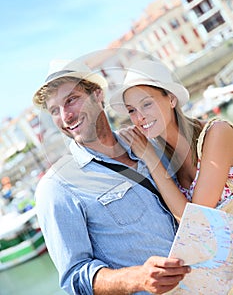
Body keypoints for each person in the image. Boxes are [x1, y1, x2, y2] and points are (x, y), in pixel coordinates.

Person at [32, 57, 191, 295]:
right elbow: (75, 277)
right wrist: (136, 278)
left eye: (71, 100)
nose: (66, 117)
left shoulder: (151, 144)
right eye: (55, 110)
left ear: (98, 95)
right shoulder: (57, 187)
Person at [110, 58, 233, 223]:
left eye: (147, 104)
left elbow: (195, 220)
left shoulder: (217, 132)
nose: (139, 117)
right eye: (131, 110)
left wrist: (149, 157)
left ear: (171, 99)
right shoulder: (168, 160)